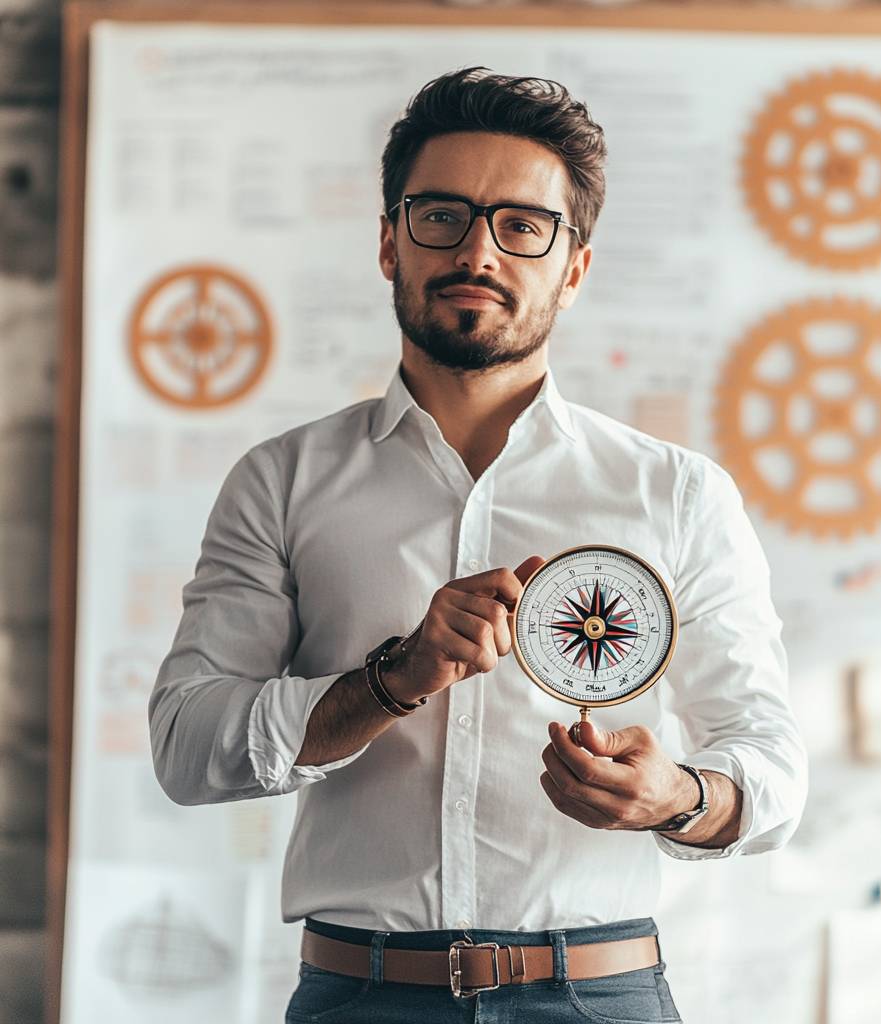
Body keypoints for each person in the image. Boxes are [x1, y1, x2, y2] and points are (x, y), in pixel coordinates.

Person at [149, 66, 808, 1023]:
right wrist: (394, 677)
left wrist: (675, 796)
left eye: (522, 225)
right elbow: (185, 745)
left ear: (573, 267)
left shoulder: (677, 494)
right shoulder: (280, 480)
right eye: (442, 216)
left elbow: (774, 768)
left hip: (600, 996)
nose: (479, 251)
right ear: (389, 242)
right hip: (358, 997)